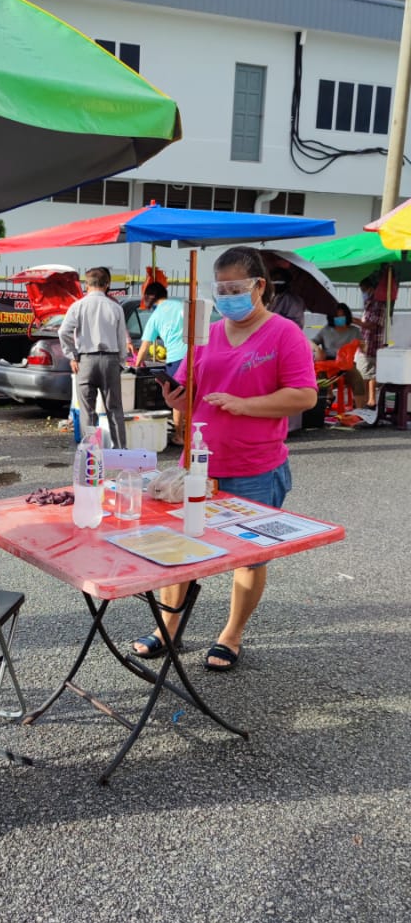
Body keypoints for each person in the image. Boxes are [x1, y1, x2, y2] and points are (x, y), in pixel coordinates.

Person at [131, 245, 317, 670]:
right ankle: (169, 628)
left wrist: (244, 404)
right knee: (179, 550)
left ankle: (232, 633)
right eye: (221, 288)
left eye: (236, 287)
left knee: (249, 556)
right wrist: (177, 400)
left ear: (259, 287)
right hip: (195, 464)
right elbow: (188, 396)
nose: (227, 296)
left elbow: (304, 395)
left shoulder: (283, 333)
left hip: (255, 466)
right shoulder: (207, 335)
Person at [59, 266, 132, 448]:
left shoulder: (78, 306)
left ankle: (90, 452)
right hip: (110, 360)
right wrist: (121, 362)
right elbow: (121, 338)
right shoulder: (115, 307)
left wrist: (72, 356)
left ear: (86, 285)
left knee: (87, 410)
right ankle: (120, 450)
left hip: (86, 361)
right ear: (108, 284)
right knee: (114, 409)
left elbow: (63, 332)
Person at [311, 303, 365, 410]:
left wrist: (368, 347)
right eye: (336, 316)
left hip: (347, 366)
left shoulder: (354, 331)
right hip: (327, 364)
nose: (339, 318)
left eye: (342, 316)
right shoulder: (326, 330)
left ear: (347, 316)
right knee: (317, 378)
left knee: (358, 380)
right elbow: (310, 341)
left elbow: (363, 347)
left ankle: (360, 411)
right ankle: (326, 400)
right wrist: (317, 349)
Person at [134, 282, 187, 376]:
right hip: (194, 356)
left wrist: (136, 366)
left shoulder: (155, 316)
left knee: (176, 389)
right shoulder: (181, 306)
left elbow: (144, 347)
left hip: (175, 360)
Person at [355, 276, 386, 410]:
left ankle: (370, 401)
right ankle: (368, 402)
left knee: (368, 374)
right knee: (366, 374)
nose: (363, 293)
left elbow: (373, 325)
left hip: (372, 345)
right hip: (365, 344)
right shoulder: (369, 303)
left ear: (371, 289)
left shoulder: (378, 304)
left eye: (364, 290)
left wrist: (355, 321)